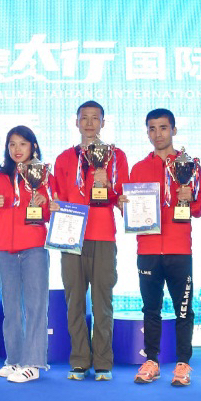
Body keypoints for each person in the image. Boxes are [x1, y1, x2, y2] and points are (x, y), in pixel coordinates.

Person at [127, 109, 201, 387]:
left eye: (163, 127)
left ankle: (183, 363)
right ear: (147, 132)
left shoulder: (190, 165)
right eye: (152, 128)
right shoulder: (139, 168)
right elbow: (131, 211)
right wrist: (125, 205)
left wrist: (190, 197)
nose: (158, 134)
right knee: (151, 309)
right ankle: (152, 361)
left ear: (173, 130)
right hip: (147, 250)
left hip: (179, 249)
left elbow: (200, 208)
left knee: (183, 309)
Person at [51, 100, 129, 381]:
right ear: (76, 122)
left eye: (95, 118)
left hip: (103, 235)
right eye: (84, 117)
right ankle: (79, 360)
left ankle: (103, 362)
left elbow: (123, 199)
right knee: (74, 301)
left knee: (102, 302)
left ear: (103, 123)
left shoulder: (116, 156)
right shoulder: (63, 159)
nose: (89, 123)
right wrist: (52, 206)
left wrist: (107, 185)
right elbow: (57, 199)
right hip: (71, 236)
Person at [0, 125, 51, 383]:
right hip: (5, 249)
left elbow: (51, 213)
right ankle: (14, 359)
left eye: (22, 144)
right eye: (12, 144)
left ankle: (33, 363)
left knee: (36, 306)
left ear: (33, 146)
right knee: (11, 308)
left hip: (34, 247)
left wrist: (45, 205)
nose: (17, 149)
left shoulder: (44, 176)